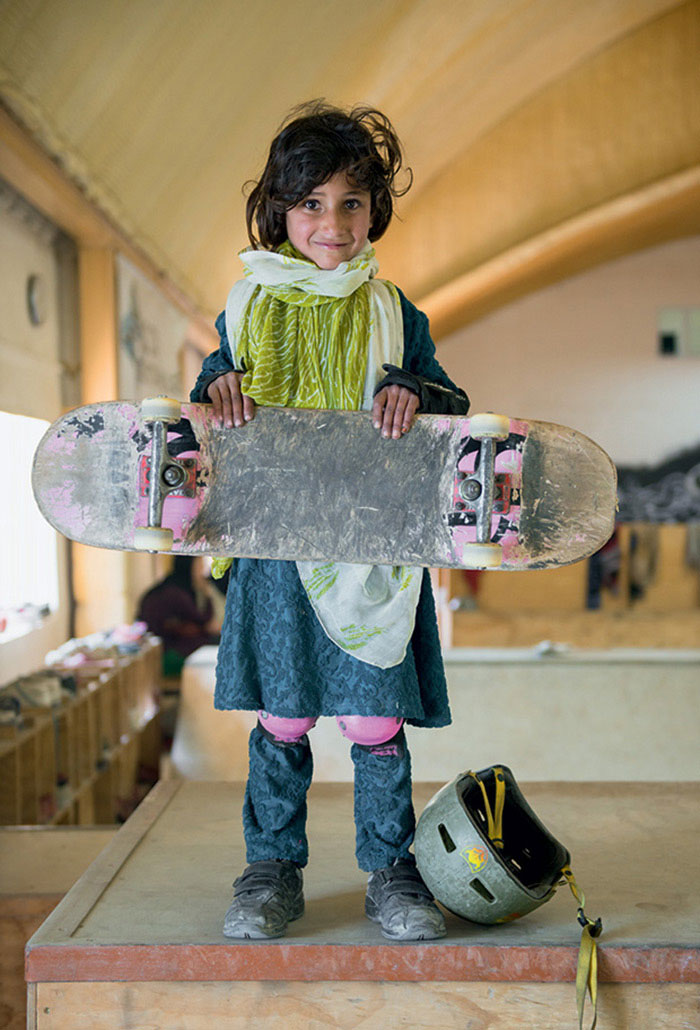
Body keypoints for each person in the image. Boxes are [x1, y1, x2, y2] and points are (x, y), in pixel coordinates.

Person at [190, 101, 469, 941]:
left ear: (374, 210)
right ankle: (270, 870)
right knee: (284, 717)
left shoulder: (394, 311)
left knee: (373, 721)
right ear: (279, 209)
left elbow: (451, 403)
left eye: (351, 202)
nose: (332, 223)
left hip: (369, 552)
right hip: (277, 552)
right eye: (311, 203)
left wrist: (413, 390)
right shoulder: (245, 308)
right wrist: (215, 388)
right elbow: (207, 399)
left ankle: (392, 872)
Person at [137, 556, 221, 675]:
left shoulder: (175, 587)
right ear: (188, 566)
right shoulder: (173, 593)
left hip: (167, 648)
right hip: (165, 654)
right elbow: (204, 621)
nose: (203, 571)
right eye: (200, 565)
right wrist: (207, 593)